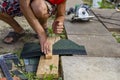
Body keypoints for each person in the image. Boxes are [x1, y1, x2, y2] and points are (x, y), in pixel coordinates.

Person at [0, 0, 66, 54]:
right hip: (22, 2)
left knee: (39, 7)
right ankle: (18, 30)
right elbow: (24, 6)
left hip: (42, 5)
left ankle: (43, 26)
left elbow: (61, 15)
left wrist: (58, 22)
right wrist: (41, 34)